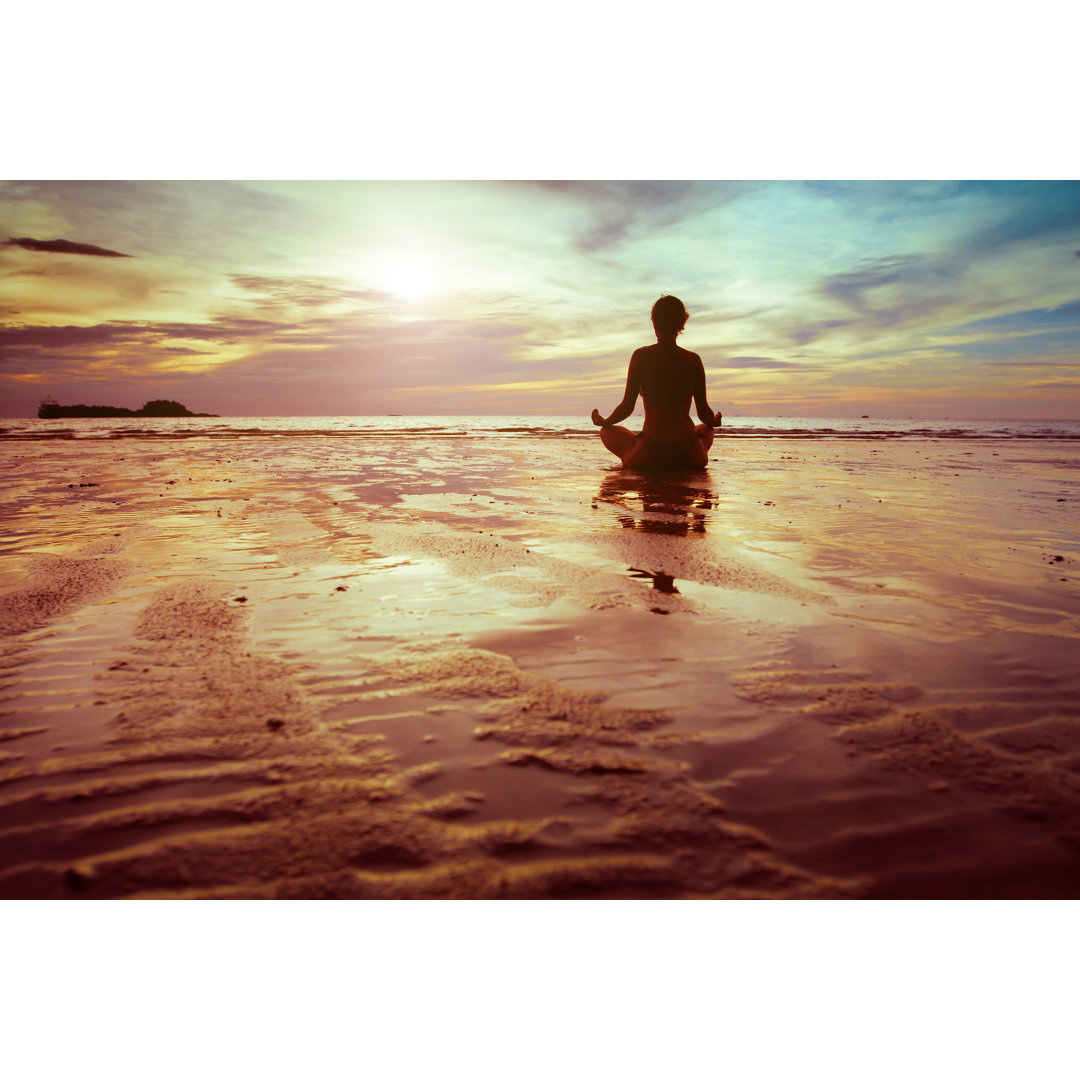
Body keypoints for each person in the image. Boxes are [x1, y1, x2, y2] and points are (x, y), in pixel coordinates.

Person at [591, 295, 721, 470]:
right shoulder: (693, 360)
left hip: (650, 453)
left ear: (654, 321)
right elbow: (704, 412)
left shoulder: (640, 356)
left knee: (607, 431)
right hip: (690, 453)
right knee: (707, 428)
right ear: (682, 322)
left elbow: (627, 407)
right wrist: (714, 420)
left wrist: (604, 421)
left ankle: (633, 450)